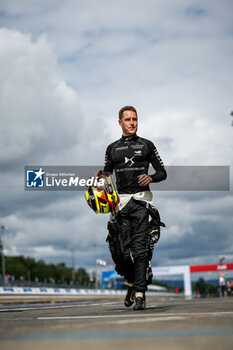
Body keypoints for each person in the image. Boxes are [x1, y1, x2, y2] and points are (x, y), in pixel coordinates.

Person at [96, 106, 167, 310]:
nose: (132, 123)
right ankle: (133, 283)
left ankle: (140, 295)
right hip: (120, 205)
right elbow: (107, 175)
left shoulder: (147, 145)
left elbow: (163, 172)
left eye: (134, 119)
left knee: (140, 251)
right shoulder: (112, 148)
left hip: (142, 203)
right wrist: (100, 179)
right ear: (120, 122)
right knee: (120, 253)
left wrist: (151, 177)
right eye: (127, 119)